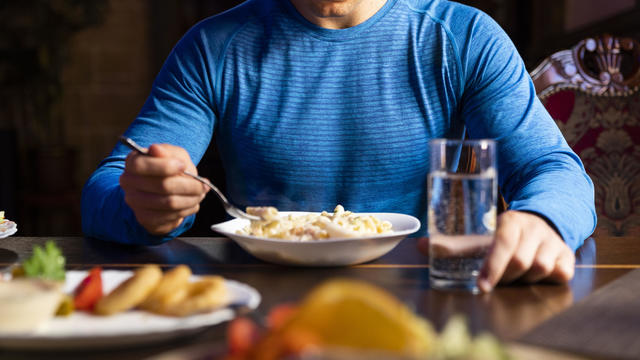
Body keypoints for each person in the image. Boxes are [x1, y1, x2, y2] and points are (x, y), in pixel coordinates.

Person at [81, 0, 596, 292]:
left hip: (425, 301)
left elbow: (553, 171)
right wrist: (143, 202)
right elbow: (103, 190)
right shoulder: (214, 46)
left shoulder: (461, 37)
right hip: (262, 306)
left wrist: (541, 219)